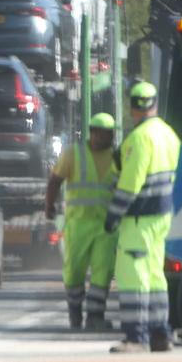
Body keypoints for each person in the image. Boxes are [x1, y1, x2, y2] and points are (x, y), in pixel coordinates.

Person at [104, 82, 181, 353]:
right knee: (154, 275)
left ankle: (136, 338)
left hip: (139, 217)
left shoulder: (138, 139)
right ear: (155, 103)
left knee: (132, 275)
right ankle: (161, 334)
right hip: (162, 216)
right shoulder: (170, 135)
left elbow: (130, 184)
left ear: (132, 107)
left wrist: (113, 216)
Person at [45, 112, 119, 330]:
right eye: (102, 134)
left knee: (103, 271)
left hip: (107, 226)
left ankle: (95, 316)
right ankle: (75, 314)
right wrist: (49, 205)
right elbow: (55, 181)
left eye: (109, 135)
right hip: (78, 225)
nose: (106, 139)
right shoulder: (73, 154)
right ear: (92, 133)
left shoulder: (117, 158)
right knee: (74, 271)